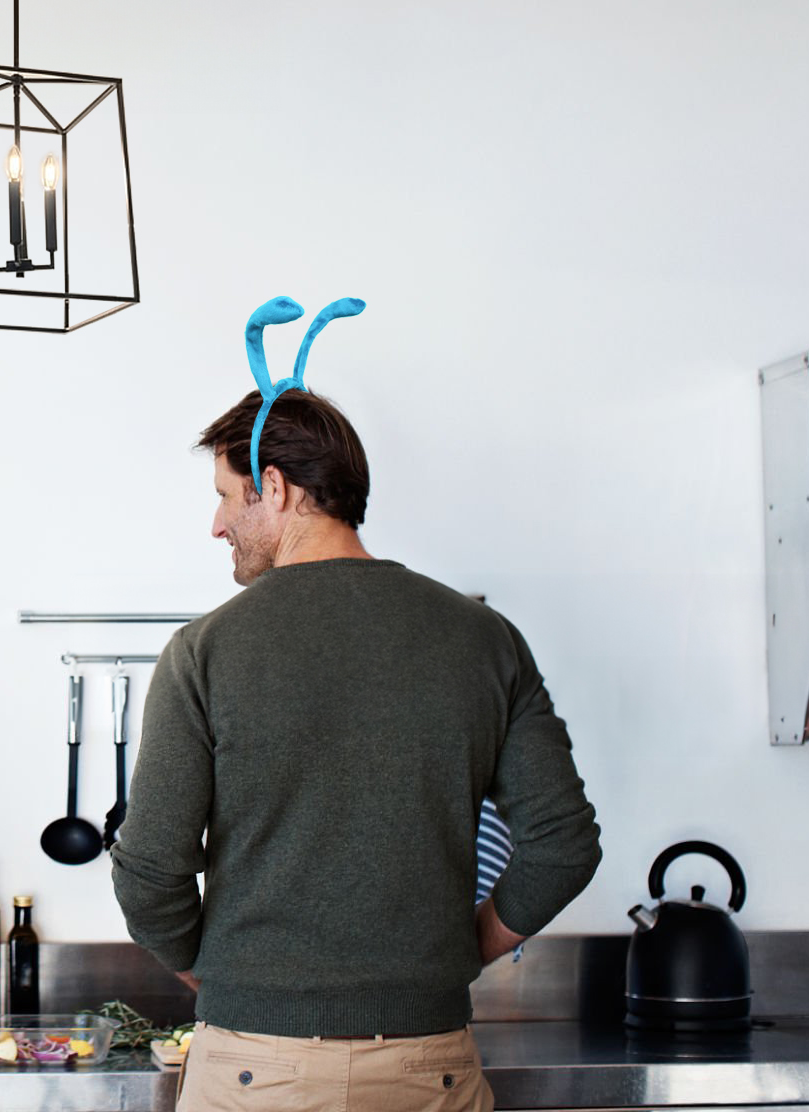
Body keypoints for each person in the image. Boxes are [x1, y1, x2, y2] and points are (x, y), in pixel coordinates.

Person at [112, 389, 600, 1112]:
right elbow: (564, 847)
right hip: (429, 1064)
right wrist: (464, 954)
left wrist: (218, 974)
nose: (217, 525)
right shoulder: (485, 640)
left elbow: (150, 875)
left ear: (274, 487)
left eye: (225, 497)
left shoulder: (204, 652)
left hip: (255, 1070)